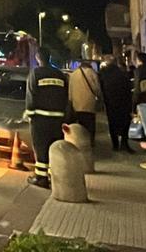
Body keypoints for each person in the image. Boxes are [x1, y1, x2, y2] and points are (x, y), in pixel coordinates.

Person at [24, 49, 68, 188]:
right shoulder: (60, 75)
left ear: (38, 58)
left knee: (41, 148)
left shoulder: (35, 73)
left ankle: (41, 178)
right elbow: (66, 97)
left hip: (40, 119)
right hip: (57, 119)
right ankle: (55, 176)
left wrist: (30, 114)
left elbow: (31, 96)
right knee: (54, 147)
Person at [98, 55, 134, 152]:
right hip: (124, 101)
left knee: (112, 123)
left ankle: (115, 145)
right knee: (125, 122)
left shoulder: (102, 73)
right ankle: (124, 143)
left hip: (110, 102)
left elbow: (100, 88)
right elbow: (128, 87)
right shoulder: (122, 72)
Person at [68, 59, 100, 143]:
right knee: (90, 125)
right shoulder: (92, 73)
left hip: (77, 105)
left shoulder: (73, 74)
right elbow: (97, 89)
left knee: (79, 125)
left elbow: (70, 92)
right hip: (89, 105)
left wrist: (70, 102)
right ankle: (90, 142)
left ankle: (80, 141)